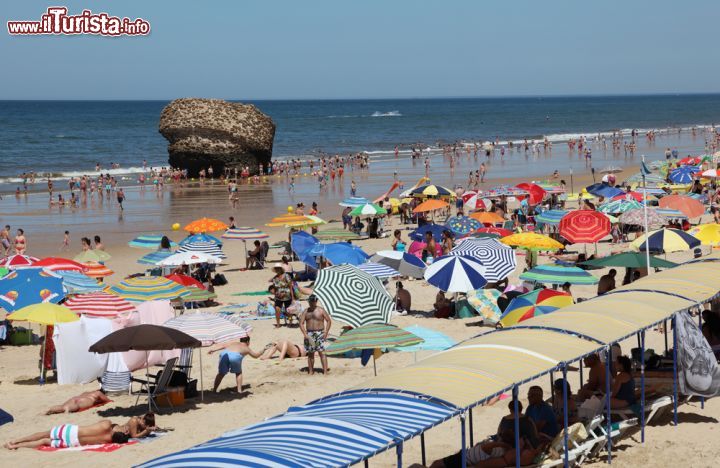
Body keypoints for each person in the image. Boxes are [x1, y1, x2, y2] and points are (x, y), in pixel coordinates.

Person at [430, 400, 542, 468]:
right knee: (440, 464)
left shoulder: (503, 425)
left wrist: (502, 443)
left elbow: (496, 437)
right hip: (468, 457)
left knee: (438, 463)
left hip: (465, 458)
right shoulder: (528, 420)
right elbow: (535, 435)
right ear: (521, 407)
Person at [5, 414, 156, 450]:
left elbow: (117, 426)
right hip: (72, 442)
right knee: (45, 441)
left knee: (45, 433)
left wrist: (119, 426)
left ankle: (16, 440)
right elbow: (129, 437)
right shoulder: (106, 441)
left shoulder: (107, 423)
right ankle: (16, 446)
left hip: (70, 431)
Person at [299, 294, 332, 375]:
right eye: (310, 301)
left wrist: (326, 332)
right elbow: (301, 323)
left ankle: (325, 372)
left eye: (313, 301)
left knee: (322, 353)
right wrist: (305, 334)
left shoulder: (321, 310)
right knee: (310, 354)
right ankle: (311, 371)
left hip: (319, 333)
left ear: (316, 301)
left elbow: (329, 321)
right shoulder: (306, 311)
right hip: (309, 333)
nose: (311, 303)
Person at [45, 390, 112, 415]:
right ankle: (67, 410)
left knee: (62, 406)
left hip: (74, 399)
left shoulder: (86, 392)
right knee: (65, 408)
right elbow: (107, 400)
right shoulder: (98, 393)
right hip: (78, 403)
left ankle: (49, 409)